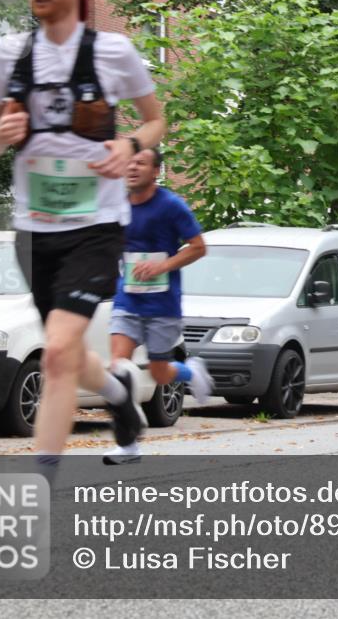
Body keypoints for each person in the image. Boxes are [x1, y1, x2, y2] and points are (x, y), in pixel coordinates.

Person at [0, 0, 166, 479]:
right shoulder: (9, 54)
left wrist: (129, 144)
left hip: (96, 228)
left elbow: (155, 121)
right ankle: (118, 392)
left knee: (56, 350)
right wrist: (0, 135)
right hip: (34, 230)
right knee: (68, 353)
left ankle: (42, 479)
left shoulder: (113, 51)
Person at [104, 148, 212, 464]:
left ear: (155, 172)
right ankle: (128, 445)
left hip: (162, 304)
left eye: (141, 163)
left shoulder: (171, 206)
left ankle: (191, 370)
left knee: (160, 373)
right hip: (127, 299)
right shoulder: (117, 204)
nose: (133, 167)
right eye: (130, 162)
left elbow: (198, 247)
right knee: (117, 367)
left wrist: (161, 266)